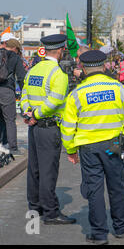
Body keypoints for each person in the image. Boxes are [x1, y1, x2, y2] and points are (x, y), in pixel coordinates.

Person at [60, 50, 124, 245]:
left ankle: (99, 233)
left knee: (94, 189)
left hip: (88, 147)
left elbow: (68, 126)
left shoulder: (77, 93)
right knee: (117, 185)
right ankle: (121, 227)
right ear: (104, 67)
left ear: (84, 69)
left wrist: (70, 149)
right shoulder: (119, 88)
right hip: (113, 144)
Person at [20, 34, 76, 225]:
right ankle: (51, 213)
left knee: (34, 169)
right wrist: (37, 114)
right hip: (48, 126)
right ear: (60, 51)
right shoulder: (58, 73)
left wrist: (28, 113)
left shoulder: (34, 70)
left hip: (34, 128)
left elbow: (24, 93)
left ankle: (35, 207)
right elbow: (56, 100)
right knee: (48, 171)